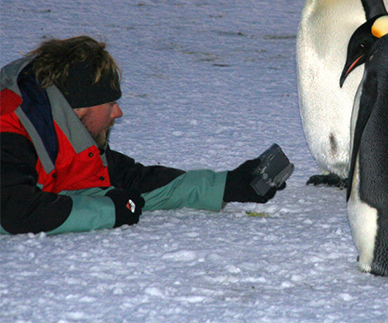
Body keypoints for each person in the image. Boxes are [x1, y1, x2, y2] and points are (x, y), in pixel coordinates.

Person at [0, 36, 285, 235]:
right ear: (79, 106)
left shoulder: (55, 127)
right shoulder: (9, 129)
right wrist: (109, 211)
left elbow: (132, 180)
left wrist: (227, 185)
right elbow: (14, 211)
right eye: (110, 103)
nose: (118, 113)